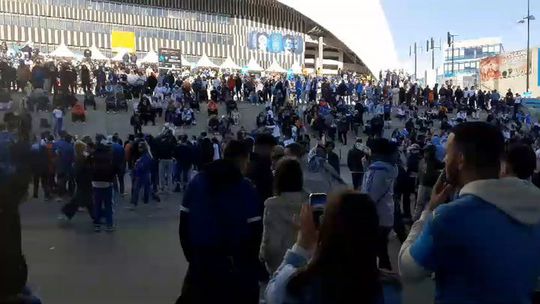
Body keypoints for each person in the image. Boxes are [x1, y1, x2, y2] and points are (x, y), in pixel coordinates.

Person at [399, 122, 540, 303]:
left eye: (448, 153)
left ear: (460, 159)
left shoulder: (449, 217)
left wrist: (429, 211)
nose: (444, 160)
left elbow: (408, 269)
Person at [265, 191, 401, 304]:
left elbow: (272, 293)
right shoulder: (391, 291)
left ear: (327, 231)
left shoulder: (295, 287)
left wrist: (301, 245)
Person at [178, 140, 262, 304]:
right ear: (244, 160)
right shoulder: (245, 188)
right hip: (234, 268)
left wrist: (194, 259)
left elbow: (183, 225)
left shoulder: (197, 182)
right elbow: (256, 233)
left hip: (200, 267)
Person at [260, 158, 307, 274]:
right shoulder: (309, 204)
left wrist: (263, 256)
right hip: (305, 266)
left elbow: (270, 243)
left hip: (279, 268)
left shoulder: (272, 206)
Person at [361, 138, 398, 270]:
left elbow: (369, 195)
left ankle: (385, 281)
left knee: (376, 253)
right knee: (381, 250)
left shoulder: (376, 170)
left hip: (376, 217)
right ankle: (386, 279)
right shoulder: (389, 167)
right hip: (386, 215)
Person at [90, 135, 117, 232]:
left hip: (96, 184)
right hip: (107, 184)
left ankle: (97, 225)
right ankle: (109, 225)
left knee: (97, 205)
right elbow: (114, 169)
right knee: (108, 205)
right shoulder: (109, 156)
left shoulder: (93, 155)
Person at [130, 141, 153, 209]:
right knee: (146, 188)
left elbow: (143, 166)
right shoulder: (147, 155)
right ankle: (146, 200)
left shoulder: (145, 156)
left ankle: (135, 203)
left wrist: (137, 165)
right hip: (145, 174)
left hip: (141, 174)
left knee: (137, 188)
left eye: (140, 147)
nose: (139, 149)